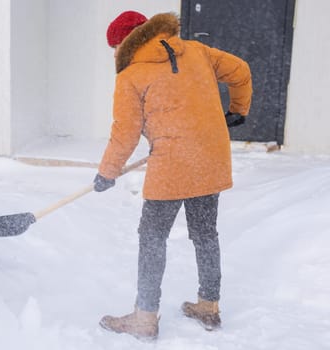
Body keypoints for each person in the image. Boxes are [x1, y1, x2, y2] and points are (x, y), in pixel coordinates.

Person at [93, 11, 252, 340]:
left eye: (114, 46)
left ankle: (145, 318)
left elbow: (125, 134)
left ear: (127, 41)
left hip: (171, 166)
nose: (114, 54)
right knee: (206, 235)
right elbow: (241, 71)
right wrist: (238, 110)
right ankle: (209, 306)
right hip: (211, 159)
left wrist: (107, 173)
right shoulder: (197, 51)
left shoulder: (131, 75)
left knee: (152, 239)